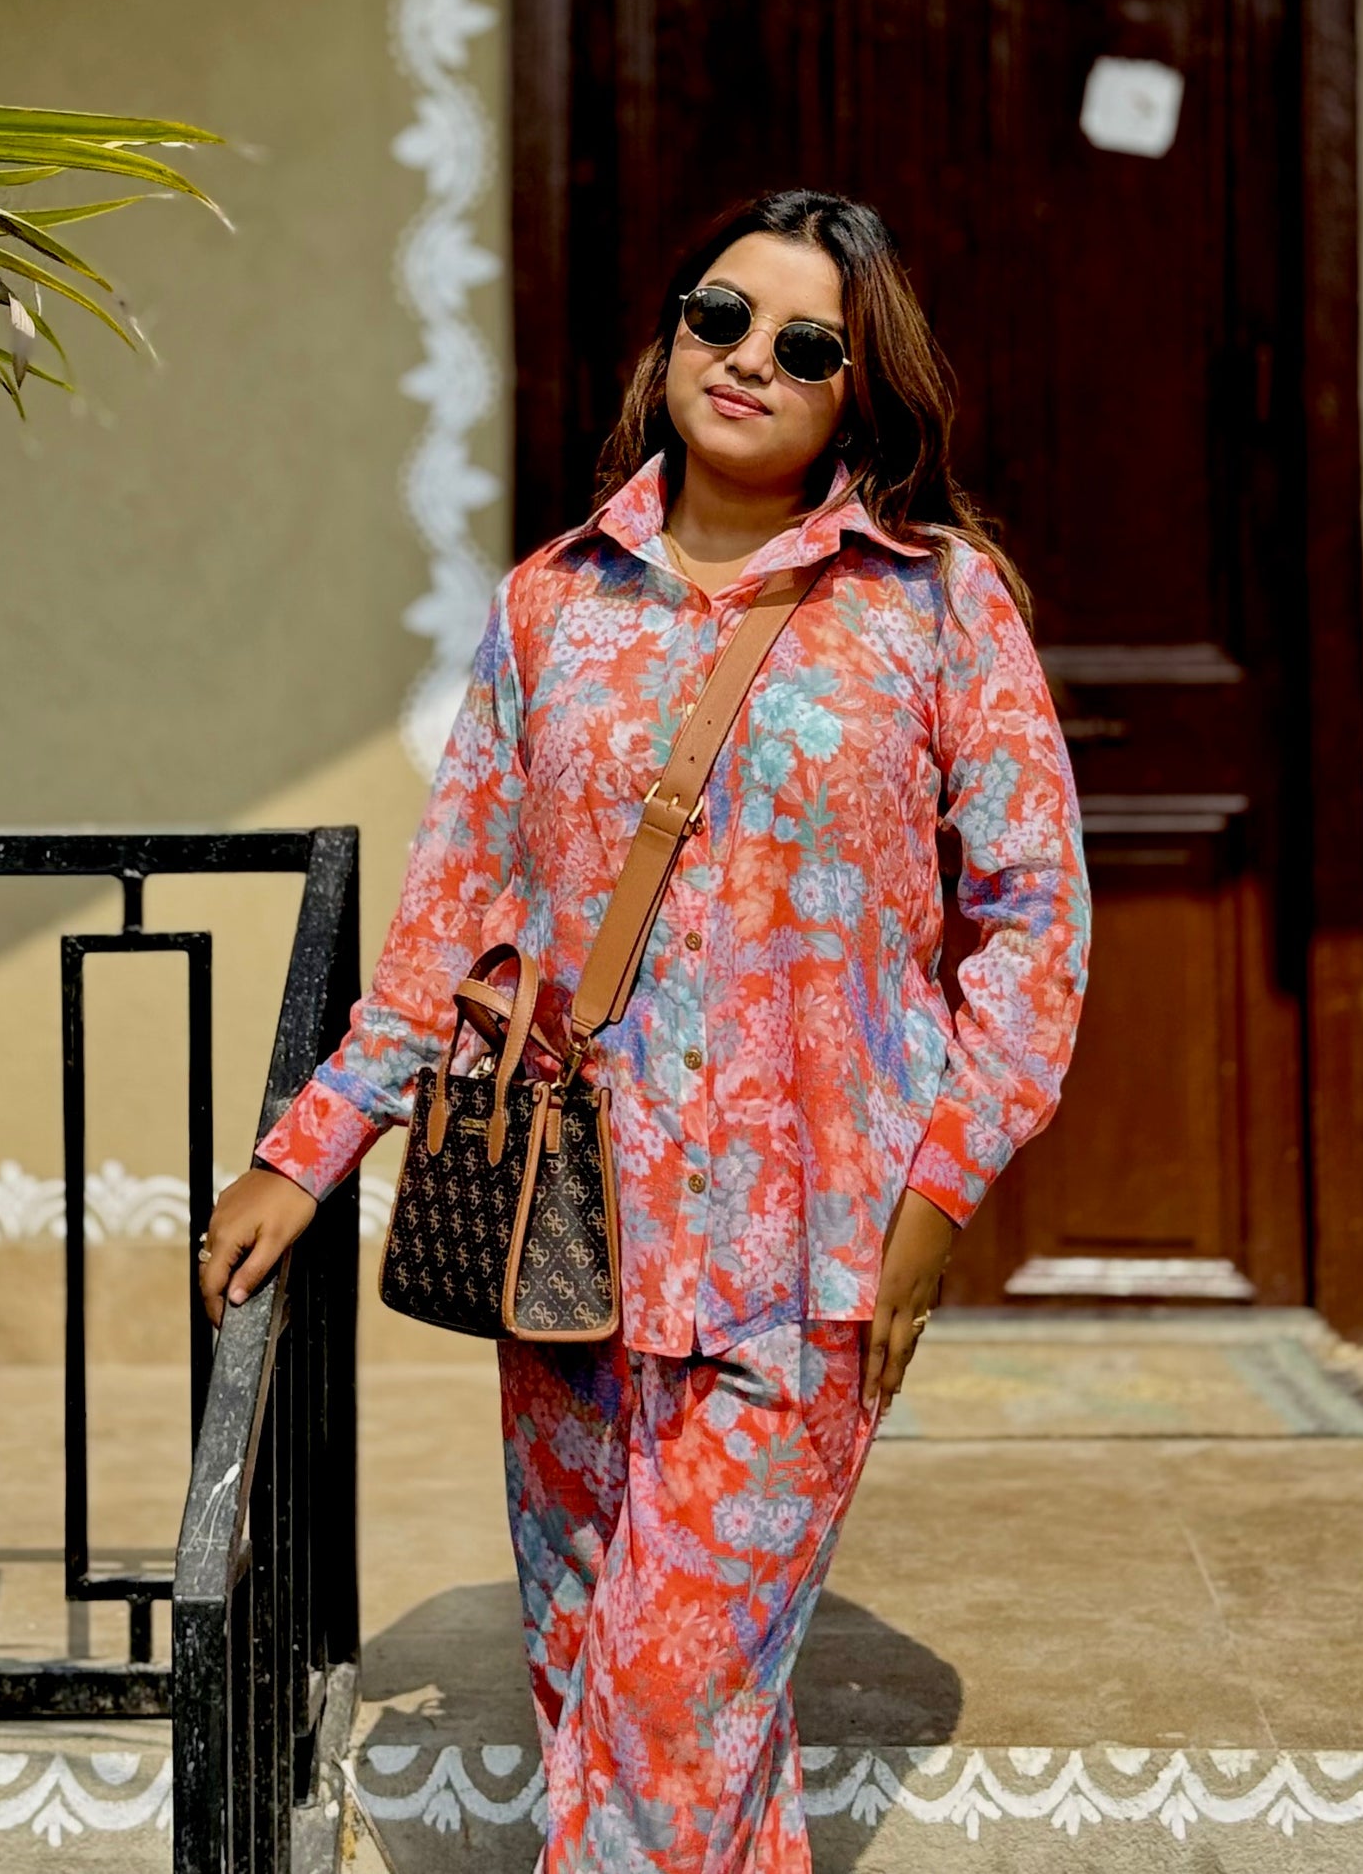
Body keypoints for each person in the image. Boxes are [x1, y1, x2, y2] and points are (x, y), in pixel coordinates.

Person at [201, 188, 1089, 1874]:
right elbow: (456, 923)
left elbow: (1033, 930)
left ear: (859, 391)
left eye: (805, 345)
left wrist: (936, 1197)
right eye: (719, 317)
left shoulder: (937, 605)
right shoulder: (550, 604)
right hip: (570, 1244)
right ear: (671, 335)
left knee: (672, 1696)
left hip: (810, 1257)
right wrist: (305, 1153)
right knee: (598, 1692)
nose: (748, 360)